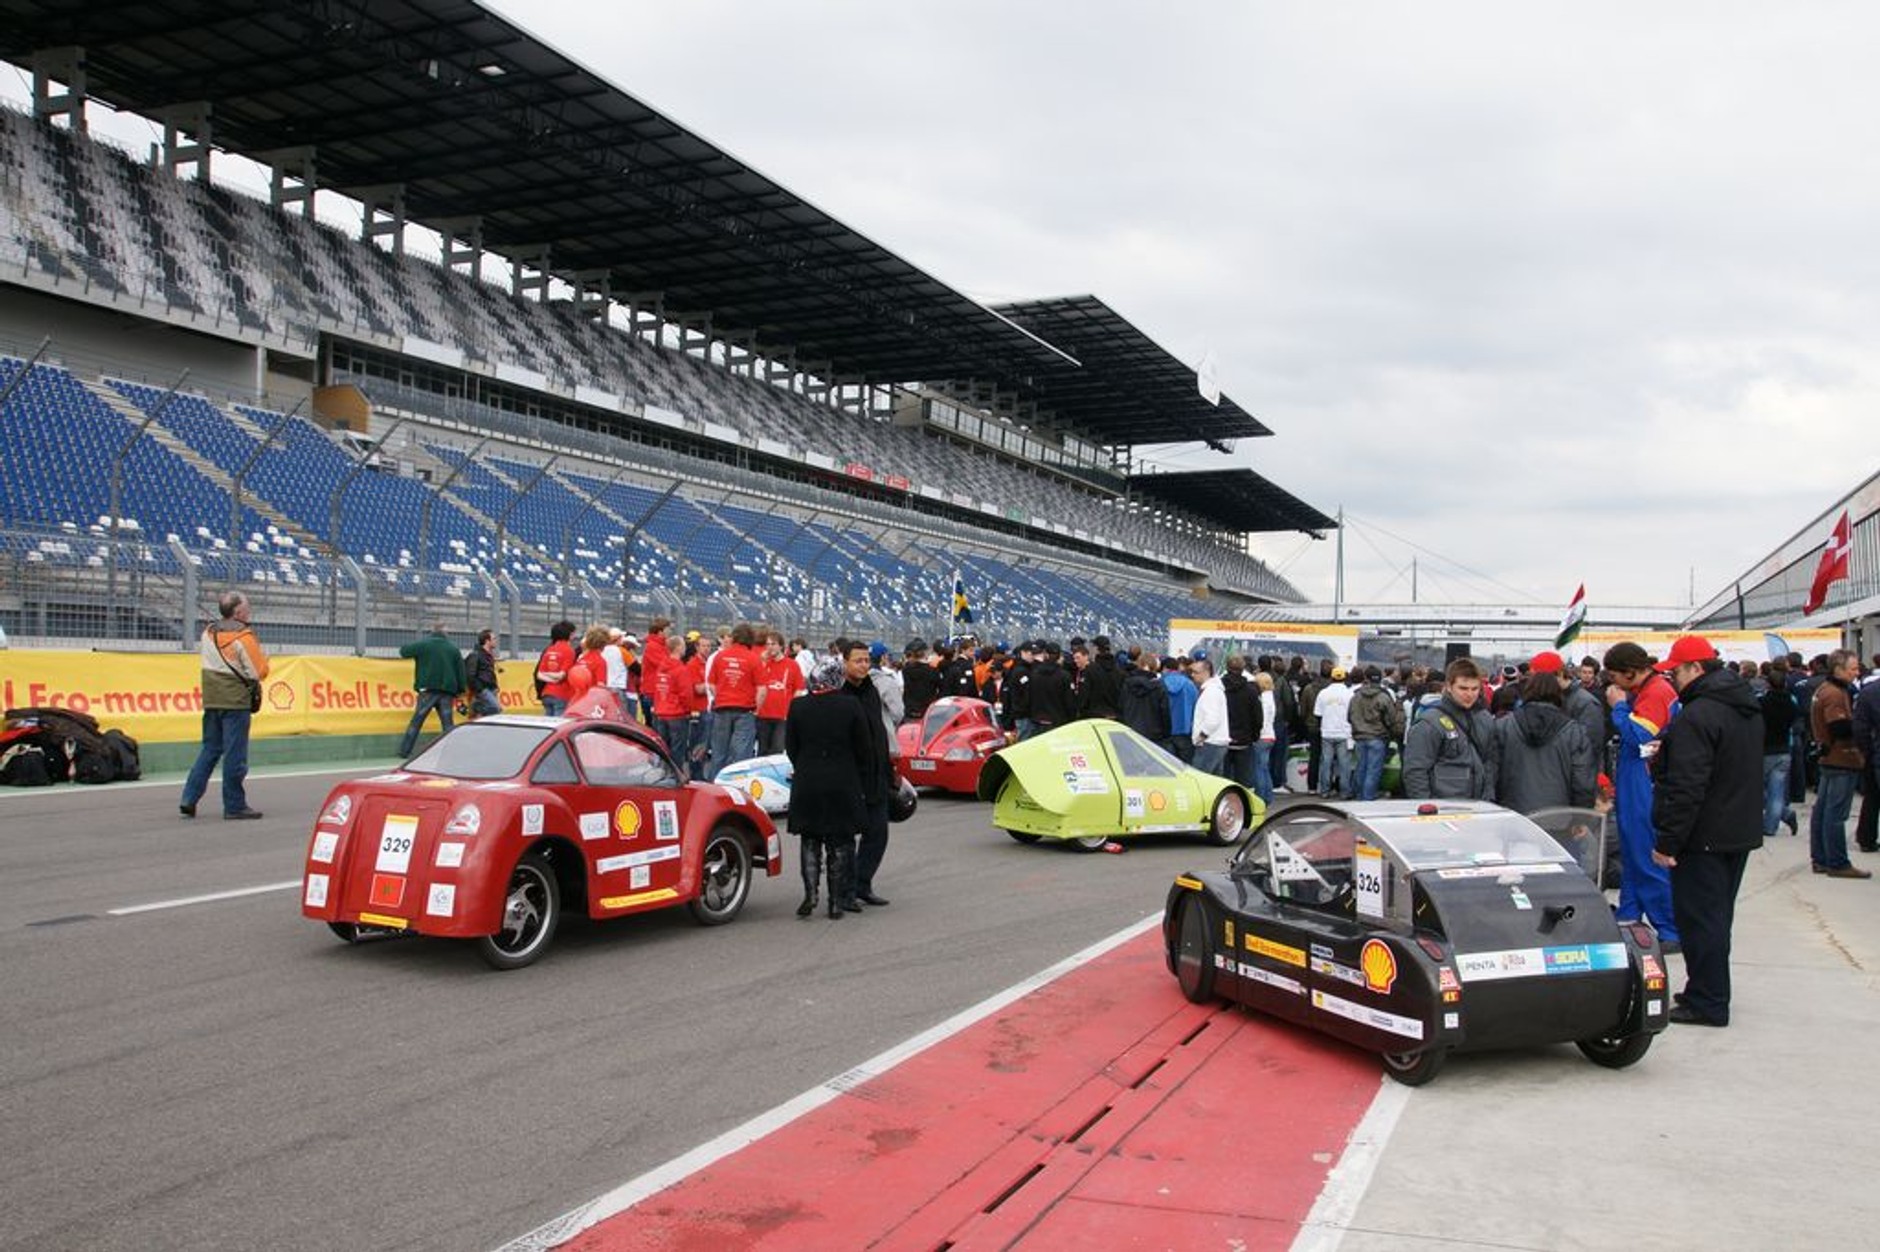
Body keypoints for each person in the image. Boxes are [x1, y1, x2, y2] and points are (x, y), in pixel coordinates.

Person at [1650, 636, 1764, 1026]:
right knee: (1717, 918)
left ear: (1696, 669)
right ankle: (1708, 989)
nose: (1673, 679)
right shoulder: (1745, 706)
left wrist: (1668, 840)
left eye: (1676, 671)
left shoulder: (1699, 715)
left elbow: (1688, 785)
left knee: (1700, 920)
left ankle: (1708, 1000)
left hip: (1705, 834)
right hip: (1737, 828)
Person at [1603, 641, 1683, 947]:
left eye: (1615, 677)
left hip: (1643, 780)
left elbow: (1638, 733)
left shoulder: (1656, 693)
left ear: (1630, 673)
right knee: (1633, 853)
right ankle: (1629, 913)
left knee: (1646, 854)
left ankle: (1669, 928)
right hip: (1634, 776)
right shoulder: (1651, 690)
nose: (1612, 683)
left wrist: (1619, 706)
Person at [785, 656, 869, 920]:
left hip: (808, 780)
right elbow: (863, 746)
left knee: (810, 839)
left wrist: (806, 764)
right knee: (841, 841)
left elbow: (791, 746)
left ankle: (810, 894)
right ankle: (835, 901)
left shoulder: (798, 706)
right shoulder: (851, 705)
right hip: (843, 779)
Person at [181, 590, 269, 820]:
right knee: (235, 755)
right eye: (247, 607)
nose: (249, 611)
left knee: (210, 749)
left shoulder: (208, 632)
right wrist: (265, 660)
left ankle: (189, 798)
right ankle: (234, 805)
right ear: (238, 612)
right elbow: (258, 672)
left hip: (212, 698)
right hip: (235, 702)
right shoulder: (243, 637)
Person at [1493, 671, 1595, 812]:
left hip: (1513, 811)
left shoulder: (1503, 726)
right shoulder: (1574, 731)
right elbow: (1583, 780)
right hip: (1559, 814)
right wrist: (1582, 814)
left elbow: (1492, 772)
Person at [1809, 649, 1871, 877]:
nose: (1856, 673)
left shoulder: (1826, 690)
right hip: (1841, 758)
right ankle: (1836, 862)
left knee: (1824, 811)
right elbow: (1839, 727)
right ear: (1839, 669)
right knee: (1835, 814)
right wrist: (1861, 724)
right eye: (1853, 669)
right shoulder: (1835, 694)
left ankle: (1822, 858)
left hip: (1832, 758)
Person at [842, 640, 895, 908]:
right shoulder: (840, 694)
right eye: (857, 661)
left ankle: (863, 883)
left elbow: (878, 731)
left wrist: (888, 769)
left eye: (866, 660)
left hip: (877, 774)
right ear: (845, 663)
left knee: (878, 833)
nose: (863, 665)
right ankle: (845, 890)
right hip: (851, 777)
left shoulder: (871, 690)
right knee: (847, 838)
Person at [1402, 657, 1497, 800]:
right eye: (1463, 688)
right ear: (1449, 687)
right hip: (1442, 809)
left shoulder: (1486, 719)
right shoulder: (1430, 723)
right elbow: (1415, 771)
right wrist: (1425, 808)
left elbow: (1491, 762)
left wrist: (1489, 796)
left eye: (1475, 689)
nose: (1469, 694)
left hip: (1479, 806)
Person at [396, 621, 467, 758]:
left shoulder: (424, 644)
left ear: (432, 631)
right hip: (447, 692)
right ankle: (451, 752)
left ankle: (405, 751)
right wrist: (460, 691)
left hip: (427, 690)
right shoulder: (453, 648)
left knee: (416, 722)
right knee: (448, 725)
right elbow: (460, 672)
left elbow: (404, 652)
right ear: (445, 633)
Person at [704, 623, 762, 780]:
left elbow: (710, 684)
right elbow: (762, 689)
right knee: (741, 756)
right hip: (744, 710)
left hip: (722, 708)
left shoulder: (720, 656)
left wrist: (720, 696)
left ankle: (714, 788)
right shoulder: (753, 659)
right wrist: (757, 708)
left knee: (718, 754)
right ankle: (738, 789)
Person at [1348, 665, 1405, 800]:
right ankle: (1368, 798)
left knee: (1360, 767)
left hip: (1360, 736)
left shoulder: (1355, 696)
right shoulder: (1383, 697)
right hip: (1378, 737)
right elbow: (1391, 719)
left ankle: (1359, 795)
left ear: (1365, 678)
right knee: (1373, 770)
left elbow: (1349, 716)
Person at [1759, 664, 1799, 838]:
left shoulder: (1762, 702)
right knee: (1777, 790)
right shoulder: (1791, 702)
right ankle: (1774, 822)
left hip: (1765, 749)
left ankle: (1781, 815)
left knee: (1757, 789)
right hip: (1783, 748)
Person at [756, 630, 802, 755]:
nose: (770, 647)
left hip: (783, 715)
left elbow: (799, 688)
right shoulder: (763, 664)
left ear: (781, 646)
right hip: (763, 714)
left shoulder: (792, 665)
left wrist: (792, 708)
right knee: (762, 751)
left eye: (774, 644)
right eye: (768, 644)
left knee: (777, 749)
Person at [1221, 655, 1262, 790]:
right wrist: (1255, 736)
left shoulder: (1219, 688)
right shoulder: (1251, 690)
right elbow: (1257, 716)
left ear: (1227, 668)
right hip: (1244, 740)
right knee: (1244, 782)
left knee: (1223, 780)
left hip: (1223, 739)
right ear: (1243, 669)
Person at [1314, 667, 1356, 798]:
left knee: (1326, 763)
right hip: (1344, 732)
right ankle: (1344, 792)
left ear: (1331, 678)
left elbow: (1317, 713)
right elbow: (1353, 714)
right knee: (1344, 764)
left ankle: (1325, 790)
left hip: (1327, 732)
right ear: (1344, 678)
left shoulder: (1323, 693)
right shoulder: (1350, 694)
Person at [1190, 657, 1230, 777]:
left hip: (1210, 742)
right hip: (1217, 741)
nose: (1192, 675)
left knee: (1199, 780)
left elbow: (1213, 719)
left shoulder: (1211, 692)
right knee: (1215, 783)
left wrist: (1201, 736)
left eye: (1196, 672)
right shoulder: (1214, 690)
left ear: (1206, 672)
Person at [1120, 652, 1172, 744]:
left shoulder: (1127, 684)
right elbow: (1165, 712)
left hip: (1130, 732)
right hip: (1154, 735)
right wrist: (1166, 734)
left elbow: (1121, 706)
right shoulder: (1159, 687)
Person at [1026, 643, 1075, 737]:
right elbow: (1069, 701)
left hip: (1037, 721)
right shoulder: (1065, 676)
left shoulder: (1034, 674)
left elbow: (1028, 697)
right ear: (1059, 656)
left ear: (1045, 654)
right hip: (1058, 721)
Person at [1076, 634, 1125, 720]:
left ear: (1096, 649)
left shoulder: (1090, 670)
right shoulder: (1119, 671)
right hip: (1115, 716)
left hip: (1094, 716)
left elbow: (1083, 697)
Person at [534, 621, 576, 716]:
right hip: (562, 694)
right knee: (559, 726)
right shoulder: (569, 651)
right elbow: (561, 675)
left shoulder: (549, 649)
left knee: (546, 726)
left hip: (547, 693)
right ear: (570, 634)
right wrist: (556, 680)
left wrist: (549, 676)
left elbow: (540, 674)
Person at [1161, 654, 1198, 762]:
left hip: (1165, 732)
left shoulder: (1159, 684)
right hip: (1185, 731)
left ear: (1165, 669)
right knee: (1185, 769)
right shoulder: (1190, 685)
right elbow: (1196, 708)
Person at [1251, 672, 1278, 804]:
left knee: (1258, 769)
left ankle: (1260, 798)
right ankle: (1268, 795)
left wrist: (1255, 734)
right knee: (1264, 768)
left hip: (1262, 737)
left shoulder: (1262, 699)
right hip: (1270, 736)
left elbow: (1261, 719)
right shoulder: (1271, 697)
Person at [465, 629, 502, 718]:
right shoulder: (475, 655)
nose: (496, 641)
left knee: (492, 715)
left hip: (490, 689)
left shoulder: (488, 655)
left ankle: (478, 714)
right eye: (494, 639)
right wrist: (480, 689)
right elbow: (470, 675)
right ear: (487, 641)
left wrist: (495, 686)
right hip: (483, 689)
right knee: (496, 708)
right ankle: (476, 709)